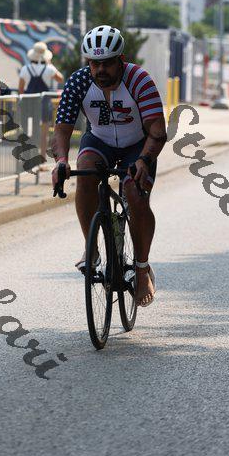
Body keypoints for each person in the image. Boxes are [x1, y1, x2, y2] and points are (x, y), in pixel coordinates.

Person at [51, 25, 167, 307]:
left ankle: (142, 269)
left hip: (137, 145)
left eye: (107, 63)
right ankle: (91, 249)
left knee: (135, 193)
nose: (100, 70)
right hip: (99, 141)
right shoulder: (79, 81)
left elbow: (157, 132)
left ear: (121, 60)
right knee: (85, 170)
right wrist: (61, 162)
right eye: (94, 63)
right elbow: (62, 129)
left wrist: (144, 160)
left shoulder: (139, 80)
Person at [19, 41, 64, 168]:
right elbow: (60, 78)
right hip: (44, 103)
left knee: (29, 131)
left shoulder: (25, 69)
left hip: (29, 103)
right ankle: (42, 161)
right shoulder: (49, 69)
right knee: (44, 134)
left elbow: (21, 89)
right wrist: (49, 64)